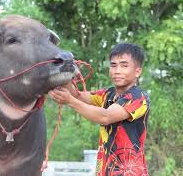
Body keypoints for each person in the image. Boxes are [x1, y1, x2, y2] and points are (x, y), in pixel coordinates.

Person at [49, 43, 150, 175]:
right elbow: (78, 96)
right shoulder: (108, 94)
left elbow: (105, 117)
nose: (117, 70)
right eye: (113, 65)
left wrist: (70, 101)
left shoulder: (138, 98)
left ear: (137, 71)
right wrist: (67, 72)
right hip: (105, 170)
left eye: (124, 65)